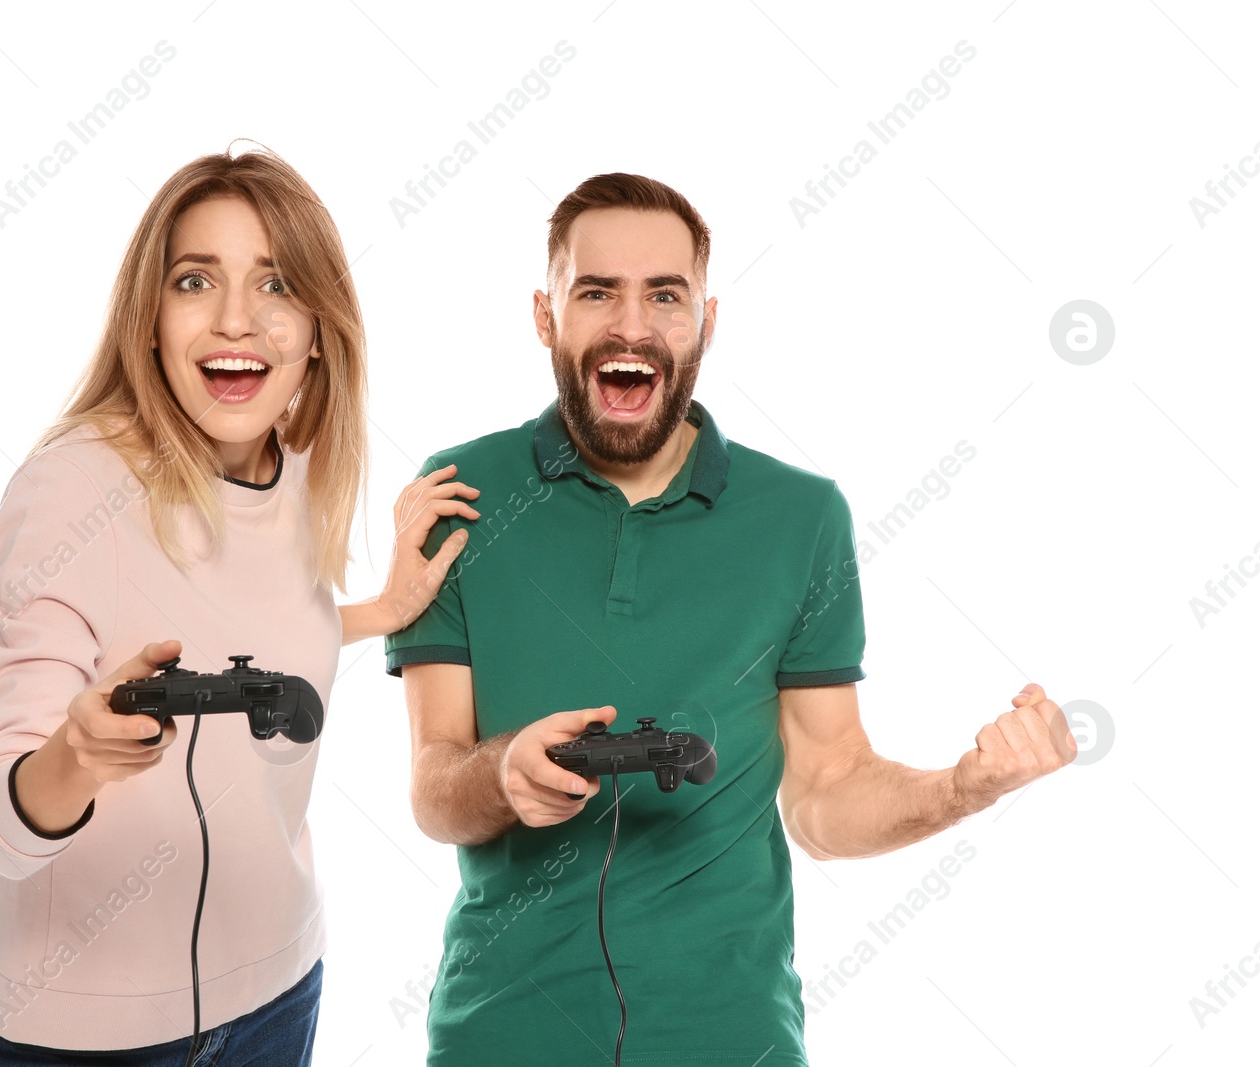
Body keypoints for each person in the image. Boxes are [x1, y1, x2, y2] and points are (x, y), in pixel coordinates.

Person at [385, 172, 1078, 1066]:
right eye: (596, 292)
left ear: (706, 322)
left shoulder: (801, 517)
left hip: (731, 1038)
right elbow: (433, 786)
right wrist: (501, 775)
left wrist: (963, 787)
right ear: (545, 316)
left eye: (664, 296)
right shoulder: (459, 496)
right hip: (501, 1032)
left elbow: (826, 793)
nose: (632, 325)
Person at [0, 145, 479, 1066]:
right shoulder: (71, 490)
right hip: (84, 1034)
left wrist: (381, 607)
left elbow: (262, 631)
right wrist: (74, 755)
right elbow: (0, 825)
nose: (237, 318)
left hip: (280, 991)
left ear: (319, 330)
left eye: (277, 284)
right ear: (150, 319)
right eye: (196, 280)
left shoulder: (299, 465)